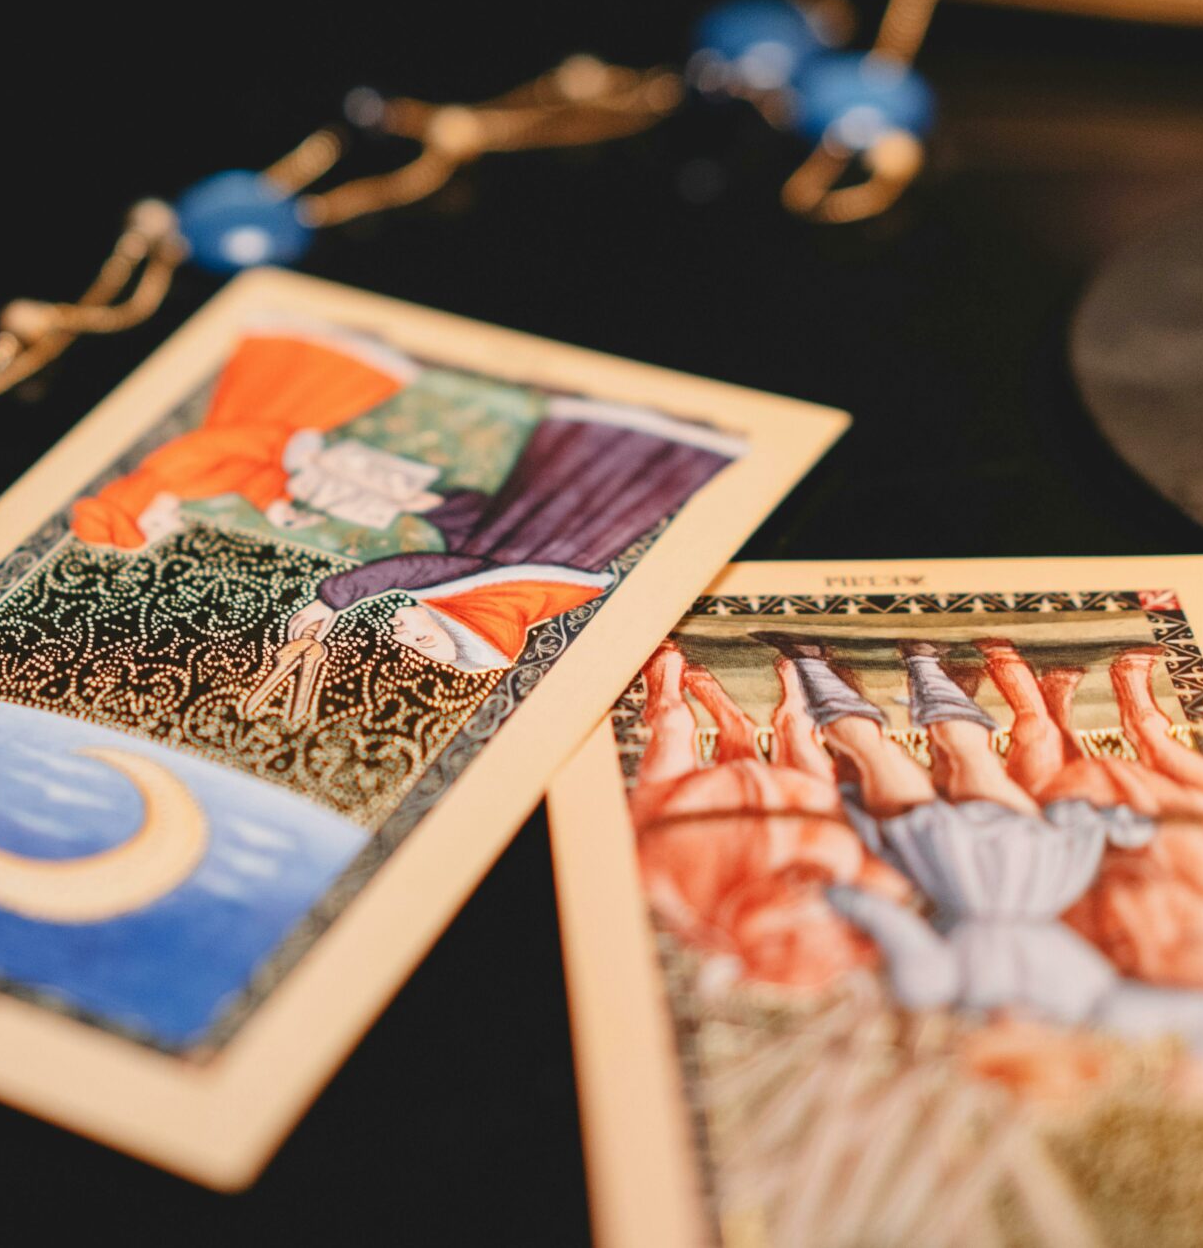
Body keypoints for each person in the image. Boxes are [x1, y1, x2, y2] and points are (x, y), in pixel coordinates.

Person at [767, 633, 1203, 1065]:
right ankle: (922, 663)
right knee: (971, 758)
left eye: (1000, 1044)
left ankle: (813, 664)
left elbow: (889, 922)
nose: (1013, 1028)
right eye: (1027, 1042)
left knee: (876, 758)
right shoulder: (1094, 1003)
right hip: (1032, 868)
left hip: (947, 866)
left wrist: (835, 895)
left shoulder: (939, 990)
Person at [282, 399, 742, 673]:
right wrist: (330, 601)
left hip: (552, 504)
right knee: (603, 466)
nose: (400, 635)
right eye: (422, 640)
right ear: (459, 620)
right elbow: (418, 568)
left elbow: (482, 531)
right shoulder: (483, 589)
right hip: (567, 499)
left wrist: (441, 510)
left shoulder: (493, 584)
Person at [976, 638, 1203, 990]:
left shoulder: (1091, 951)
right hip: (1167, 837)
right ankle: (1136, 700)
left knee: (1049, 775)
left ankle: (1047, 702)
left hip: (1088, 844)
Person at [628, 642, 907, 991]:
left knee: (671, 723)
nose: (805, 903)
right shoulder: (840, 888)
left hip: (685, 799)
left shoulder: (678, 892)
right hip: (799, 799)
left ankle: (666, 679)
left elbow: (645, 858)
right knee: (800, 736)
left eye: (781, 939)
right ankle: (772, 703)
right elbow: (891, 875)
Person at [70, 323, 417, 549]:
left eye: (158, 521)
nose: (172, 521)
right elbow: (244, 474)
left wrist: (284, 446)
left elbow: (228, 442)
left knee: (301, 384)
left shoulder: (168, 469)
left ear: (139, 502)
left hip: (260, 420)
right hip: (270, 434)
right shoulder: (183, 488)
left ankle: (329, 346)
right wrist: (274, 503)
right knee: (319, 398)